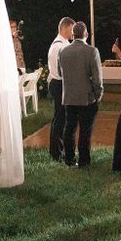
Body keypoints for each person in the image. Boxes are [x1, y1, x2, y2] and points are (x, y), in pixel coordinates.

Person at [59, 22, 103, 168]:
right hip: (86, 98)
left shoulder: (63, 51)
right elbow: (97, 76)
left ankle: (69, 159)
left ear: (73, 34)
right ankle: (84, 161)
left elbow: (60, 73)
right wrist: (98, 94)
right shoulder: (92, 51)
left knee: (69, 128)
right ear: (86, 34)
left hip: (69, 97)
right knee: (85, 130)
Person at [47, 17, 75, 161]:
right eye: (71, 29)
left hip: (58, 83)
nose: (73, 32)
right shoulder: (60, 46)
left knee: (60, 118)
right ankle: (56, 152)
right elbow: (60, 70)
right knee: (59, 119)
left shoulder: (62, 44)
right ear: (64, 28)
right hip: (59, 84)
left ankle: (58, 150)